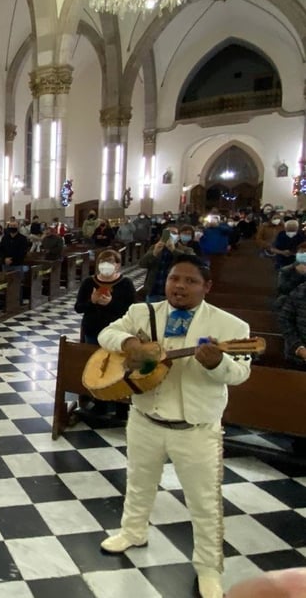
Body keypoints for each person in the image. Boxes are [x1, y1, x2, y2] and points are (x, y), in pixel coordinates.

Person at [97, 254, 251, 598]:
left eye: (190, 281)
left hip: (196, 428)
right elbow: (107, 332)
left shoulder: (232, 327)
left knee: (203, 501)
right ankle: (133, 531)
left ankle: (209, 567)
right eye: (173, 279)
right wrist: (129, 343)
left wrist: (217, 364)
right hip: (145, 418)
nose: (179, 286)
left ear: (206, 286)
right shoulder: (143, 312)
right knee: (138, 482)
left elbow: (240, 374)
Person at [74, 249, 136, 344]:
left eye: (110, 261)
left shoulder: (125, 283)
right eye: (102, 261)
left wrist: (110, 303)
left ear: (117, 265)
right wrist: (92, 301)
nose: (106, 264)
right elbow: (78, 308)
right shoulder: (89, 282)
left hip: (116, 332)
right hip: (93, 331)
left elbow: (132, 309)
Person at [139, 225, 193, 302]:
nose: (170, 235)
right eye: (168, 233)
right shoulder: (155, 247)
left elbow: (190, 262)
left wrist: (173, 250)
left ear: (178, 237)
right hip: (153, 291)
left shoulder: (186, 249)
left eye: (174, 233)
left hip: (173, 292)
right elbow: (142, 264)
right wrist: (154, 253)